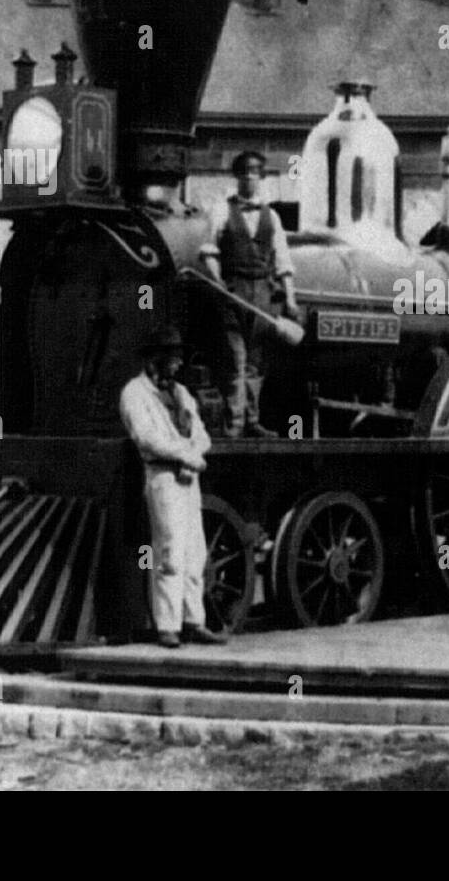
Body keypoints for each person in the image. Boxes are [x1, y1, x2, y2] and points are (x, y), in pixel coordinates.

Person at [119, 325, 222, 648]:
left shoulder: (181, 393)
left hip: (189, 478)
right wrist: (187, 454)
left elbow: (201, 433)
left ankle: (194, 620)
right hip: (163, 478)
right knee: (169, 550)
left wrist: (194, 451)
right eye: (172, 358)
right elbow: (147, 438)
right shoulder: (134, 393)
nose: (178, 364)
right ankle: (167, 625)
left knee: (195, 550)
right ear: (154, 360)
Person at [199, 150, 300, 438]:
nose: (249, 179)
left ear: (262, 177)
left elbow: (283, 261)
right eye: (244, 173)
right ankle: (236, 424)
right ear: (237, 177)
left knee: (256, 364)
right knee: (236, 361)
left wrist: (290, 300)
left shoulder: (274, 217)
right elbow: (209, 251)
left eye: (255, 173)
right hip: (233, 292)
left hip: (265, 296)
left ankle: (253, 421)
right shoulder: (221, 210)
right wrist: (218, 281)